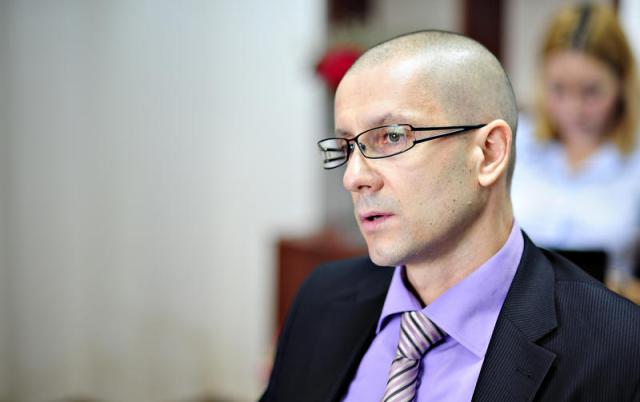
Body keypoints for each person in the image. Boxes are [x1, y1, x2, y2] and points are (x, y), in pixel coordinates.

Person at [260, 31, 640, 402]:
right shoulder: (322, 298)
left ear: (489, 153)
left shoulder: (617, 351)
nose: (353, 177)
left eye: (392, 136)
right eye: (347, 147)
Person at [511, 3, 640, 288]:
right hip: (518, 303)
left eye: (591, 91)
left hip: (607, 307)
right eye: (558, 89)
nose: (574, 110)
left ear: (622, 82)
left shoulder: (634, 160)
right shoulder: (518, 142)